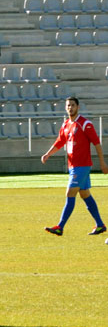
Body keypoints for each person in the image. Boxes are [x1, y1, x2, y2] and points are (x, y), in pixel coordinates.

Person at [42, 97, 108, 236]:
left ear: (78, 107)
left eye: (73, 105)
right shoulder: (66, 125)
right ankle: (100, 225)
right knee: (85, 194)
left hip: (82, 166)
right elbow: (60, 142)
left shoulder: (85, 124)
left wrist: (102, 162)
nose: (70, 108)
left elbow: (96, 143)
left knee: (70, 193)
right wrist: (47, 154)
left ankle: (60, 226)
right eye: (68, 105)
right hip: (73, 165)